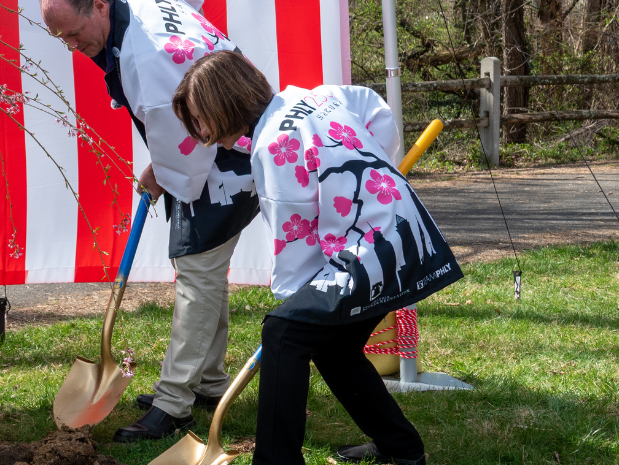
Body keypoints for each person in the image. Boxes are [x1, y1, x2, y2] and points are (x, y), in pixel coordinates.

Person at [172, 50, 463, 465]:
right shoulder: (313, 95)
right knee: (332, 347)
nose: (201, 133)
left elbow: (297, 241)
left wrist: (293, 302)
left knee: (284, 333)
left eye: (200, 119)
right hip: (405, 228)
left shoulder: (272, 147)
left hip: (373, 250)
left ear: (225, 103)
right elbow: (376, 111)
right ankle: (403, 450)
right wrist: (373, 165)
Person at [39, 0, 261, 441]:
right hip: (208, 122)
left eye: (76, 35)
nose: (75, 48)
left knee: (197, 269)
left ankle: (175, 403)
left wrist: (163, 171)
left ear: (99, 4)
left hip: (230, 146)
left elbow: (186, 146)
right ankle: (207, 382)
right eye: (63, 41)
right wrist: (190, 16)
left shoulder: (149, 61)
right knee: (202, 266)